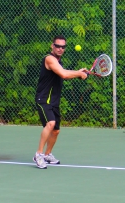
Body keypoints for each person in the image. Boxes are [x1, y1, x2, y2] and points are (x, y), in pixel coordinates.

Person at [33, 35, 87, 169]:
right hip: (44, 99)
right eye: (57, 46)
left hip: (54, 101)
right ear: (52, 46)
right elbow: (63, 74)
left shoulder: (59, 63)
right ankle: (38, 155)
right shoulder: (49, 59)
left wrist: (78, 72)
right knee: (50, 123)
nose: (60, 49)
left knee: (56, 130)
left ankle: (47, 154)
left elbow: (65, 73)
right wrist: (78, 74)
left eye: (63, 47)